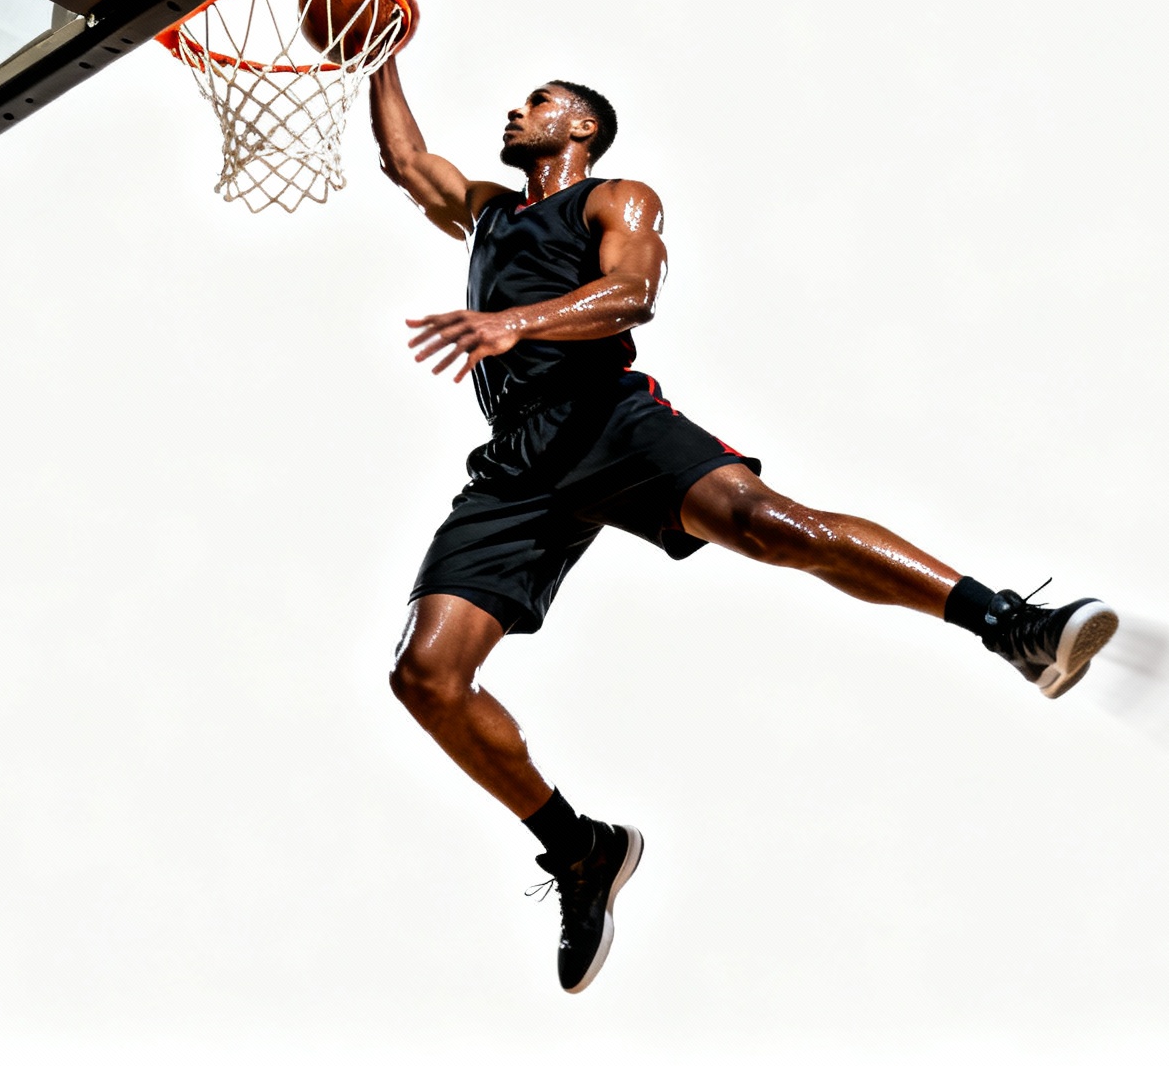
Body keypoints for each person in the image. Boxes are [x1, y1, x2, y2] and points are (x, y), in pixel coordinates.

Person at [367, 59, 1118, 994]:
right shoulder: (487, 208)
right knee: (425, 677)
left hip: (605, 415)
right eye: (520, 103)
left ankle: (1012, 625)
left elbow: (631, 295)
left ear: (583, 130)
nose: (516, 110)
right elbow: (406, 160)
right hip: (519, 461)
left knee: (773, 526)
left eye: (539, 102)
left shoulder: (616, 198)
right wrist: (378, 39)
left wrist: (517, 323)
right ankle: (581, 850)